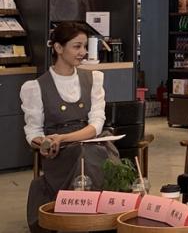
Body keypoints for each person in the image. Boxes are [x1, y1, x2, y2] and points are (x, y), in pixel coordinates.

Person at [21, 22, 119, 233]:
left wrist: (63, 138)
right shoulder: (36, 87)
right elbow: (33, 131)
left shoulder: (93, 79)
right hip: (60, 153)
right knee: (82, 154)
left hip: (92, 140)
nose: (83, 52)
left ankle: (100, 218)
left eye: (85, 46)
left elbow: (96, 125)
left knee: (91, 153)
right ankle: (89, 217)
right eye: (77, 46)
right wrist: (44, 143)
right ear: (58, 47)